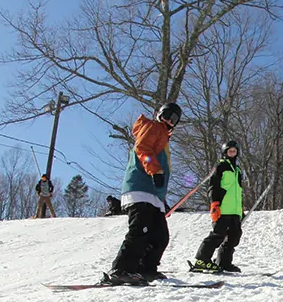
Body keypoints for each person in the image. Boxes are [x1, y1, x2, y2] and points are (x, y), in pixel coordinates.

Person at [100, 102, 182, 286]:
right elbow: (142, 150)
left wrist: (162, 196)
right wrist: (155, 171)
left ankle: (145, 268)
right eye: (167, 114)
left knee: (160, 236)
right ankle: (121, 269)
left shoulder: (163, 136)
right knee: (140, 231)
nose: (170, 120)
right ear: (159, 114)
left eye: (174, 118)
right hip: (140, 189)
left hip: (153, 194)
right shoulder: (153, 127)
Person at [189, 140, 247, 273]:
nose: (232, 153)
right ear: (225, 152)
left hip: (234, 210)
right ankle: (202, 260)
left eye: (234, 151)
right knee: (218, 234)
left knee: (234, 237)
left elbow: (238, 191)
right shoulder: (221, 166)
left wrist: (240, 208)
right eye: (229, 151)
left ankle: (224, 262)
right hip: (224, 208)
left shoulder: (237, 170)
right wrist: (214, 203)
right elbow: (213, 186)